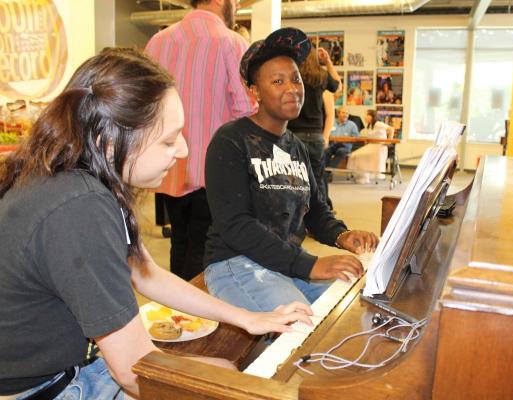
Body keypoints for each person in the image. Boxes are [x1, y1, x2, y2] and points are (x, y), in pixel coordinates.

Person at [0, 48, 311, 400]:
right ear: (110, 140)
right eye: (168, 139)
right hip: (45, 387)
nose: (182, 151)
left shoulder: (78, 177)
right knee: (228, 384)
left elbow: (144, 271)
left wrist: (247, 317)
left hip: (65, 365)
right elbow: (135, 372)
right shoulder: (80, 207)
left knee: (222, 370)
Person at [203, 28, 379, 313]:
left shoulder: (294, 146)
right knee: (303, 325)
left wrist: (341, 235)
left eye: (295, 79)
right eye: (277, 81)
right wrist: (309, 265)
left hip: (283, 263)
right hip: (236, 264)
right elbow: (236, 225)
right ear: (255, 91)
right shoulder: (230, 140)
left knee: (349, 309)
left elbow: (315, 210)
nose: (292, 89)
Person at [145, 0, 256, 281]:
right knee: (208, 248)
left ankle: (178, 316)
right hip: (215, 171)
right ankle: (198, 319)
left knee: (179, 240)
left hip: (168, 168)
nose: (237, 5)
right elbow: (247, 109)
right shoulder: (232, 43)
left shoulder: (158, 42)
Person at [287, 47, 341, 206]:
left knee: (294, 179)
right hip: (316, 135)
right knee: (317, 178)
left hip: (294, 134)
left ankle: (297, 215)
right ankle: (321, 216)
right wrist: (329, 62)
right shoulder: (322, 77)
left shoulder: (293, 77)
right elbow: (337, 85)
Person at [347, 110, 395, 184]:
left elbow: (391, 129)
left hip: (379, 147)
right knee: (354, 155)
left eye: (367, 115)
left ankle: (364, 176)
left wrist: (388, 141)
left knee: (358, 155)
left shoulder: (378, 124)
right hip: (372, 146)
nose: (365, 117)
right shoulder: (370, 125)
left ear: (372, 116)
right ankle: (363, 176)